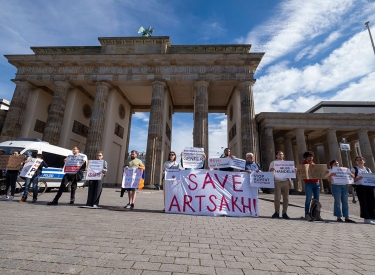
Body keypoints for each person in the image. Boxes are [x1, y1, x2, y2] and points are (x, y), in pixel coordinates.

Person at [351, 156, 375, 224]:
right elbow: (352, 178)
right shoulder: (354, 169)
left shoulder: (367, 169)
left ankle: (372, 217)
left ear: (364, 161)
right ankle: (366, 218)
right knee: (363, 202)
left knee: (372, 202)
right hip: (360, 187)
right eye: (357, 160)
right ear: (356, 162)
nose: (359, 161)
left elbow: (371, 177)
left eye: (361, 160)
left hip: (369, 187)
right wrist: (358, 178)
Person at [269, 151, 292, 219]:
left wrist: (294, 170)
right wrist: (271, 170)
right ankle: (276, 212)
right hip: (277, 182)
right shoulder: (273, 163)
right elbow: (269, 172)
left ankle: (284, 212)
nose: (281, 155)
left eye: (282, 154)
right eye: (279, 154)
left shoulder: (287, 163)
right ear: (276, 156)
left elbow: (291, 171)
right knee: (277, 198)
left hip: (286, 182)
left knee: (286, 198)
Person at [302, 151, 323, 221]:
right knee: (308, 199)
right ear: (306, 157)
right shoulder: (303, 164)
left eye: (311, 156)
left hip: (316, 183)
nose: (311, 158)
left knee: (317, 200)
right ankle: (307, 214)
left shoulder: (314, 164)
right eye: (309, 156)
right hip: (308, 183)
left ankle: (316, 214)